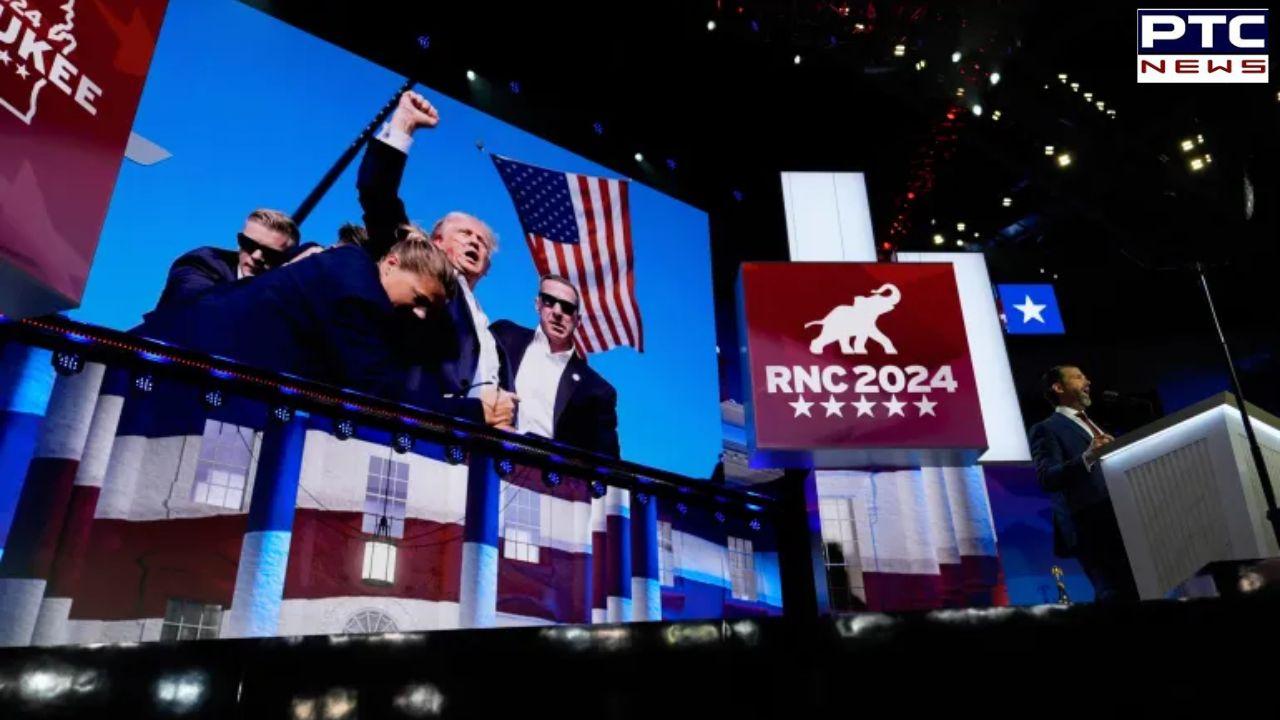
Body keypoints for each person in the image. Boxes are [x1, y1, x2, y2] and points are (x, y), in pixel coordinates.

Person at [137, 234, 515, 427]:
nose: (418, 314)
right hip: (160, 371)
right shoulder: (358, 296)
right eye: (418, 298)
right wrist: (473, 412)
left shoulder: (348, 263)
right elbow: (379, 395)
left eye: (429, 310)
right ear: (391, 262)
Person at [356, 90, 509, 406]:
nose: (474, 242)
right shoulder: (418, 267)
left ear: (487, 267)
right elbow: (378, 196)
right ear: (435, 241)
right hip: (414, 424)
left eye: (482, 242)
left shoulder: (489, 328)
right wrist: (403, 126)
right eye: (464, 234)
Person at [1028, 365, 1138, 603]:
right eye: (1078, 377)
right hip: (1090, 527)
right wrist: (1087, 456)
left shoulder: (1096, 425)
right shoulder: (1046, 429)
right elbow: (1048, 477)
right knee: (1114, 594)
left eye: (1086, 376)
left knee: (1136, 591)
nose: (1087, 381)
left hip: (1122, 522)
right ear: (1058, 387)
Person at [490, 275, 620, 458]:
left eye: (567, 308)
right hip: (488, 463)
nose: (558, 312)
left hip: (549, 481)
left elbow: (609, 462)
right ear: (538, 304)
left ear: (578, 319)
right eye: (549, 301)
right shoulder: (505, 337)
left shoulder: (597, 390)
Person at [152, 208, 299, 310]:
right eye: (248, 244)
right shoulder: (203, 262)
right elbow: (201, 307)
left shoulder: (288, 293)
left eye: (270, 253)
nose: (256, 257)